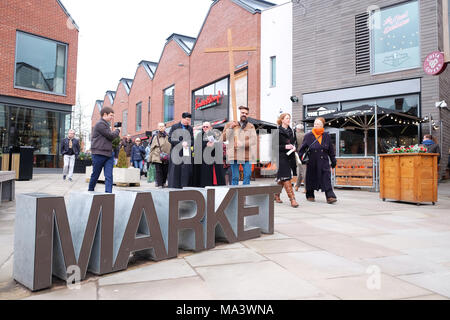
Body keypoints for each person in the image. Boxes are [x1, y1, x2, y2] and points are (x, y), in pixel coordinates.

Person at [298, 117, 337, 204]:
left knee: (326, 178)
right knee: (311, 178)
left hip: (324, 162)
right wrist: (302, 159)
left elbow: (331, 150)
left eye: (318, 124)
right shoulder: (308, 136)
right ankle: (310, 195)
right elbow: (302, 149)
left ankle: (330, 196)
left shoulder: (326, 136)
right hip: (312, 162)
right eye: (315, 123)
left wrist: (333, 161)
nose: (316, 125)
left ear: (322, 125)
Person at [222, 106, 257, 185]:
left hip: (247, 155)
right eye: (242, 113)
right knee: (235, 177)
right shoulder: (229, 124)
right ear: (238, 113)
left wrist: (242, 143)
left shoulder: (251, 126)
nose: (244, 114)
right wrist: (230, 128)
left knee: (247, 175)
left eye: (246, 113)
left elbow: (253, 140)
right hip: (234, 155)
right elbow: (223, 138)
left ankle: (244, 194)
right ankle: (235, 196)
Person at [88, 107, 120, 193]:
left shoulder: (106, 125)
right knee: (95, 175)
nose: (112, 117)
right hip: (99, 154)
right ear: (104, 114)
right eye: (111, 115)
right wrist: (117, 130)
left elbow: (109, 138)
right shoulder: (100, 124)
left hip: (109, 154)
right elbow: (111, 136)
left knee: (109, 176)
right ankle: (90, 191)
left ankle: (108, 195)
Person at [274, 113, 299, 208]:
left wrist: (294, 147)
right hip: (281, 156)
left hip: (290, 156)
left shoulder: (292, 131)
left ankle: (276, 194)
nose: (289, 120)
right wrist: (285, 146)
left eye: (289, 118)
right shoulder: (277, 131)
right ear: (282, 120)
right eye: (287, 118)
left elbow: (294, 142)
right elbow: (274, 146)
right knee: (287, 176)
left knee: (283, 177)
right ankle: (292, 199)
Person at [167, 112, 194, 188]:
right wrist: (180, 143)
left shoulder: (190, 128)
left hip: (186, 152)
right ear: (182, 118)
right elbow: (170, 138)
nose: (188, 121)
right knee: (175, 170)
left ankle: (184, 185)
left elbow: (192, 141)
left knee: (185, 170)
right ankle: (174, 186)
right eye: (187, 119)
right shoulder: (175, 127)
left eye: (189, 120)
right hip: (176, 152)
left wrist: (188, 143)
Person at [199, 122, 226, 187]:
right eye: (203, 127)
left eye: (206, 127)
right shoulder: (200, 136)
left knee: (216, 177)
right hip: (204, 160)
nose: (205, 128)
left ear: (211, 127)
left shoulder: (216, 134)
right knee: (206, 178)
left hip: (215, 159)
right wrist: (206, 145)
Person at [149, 122, 171, 188]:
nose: (161, 127)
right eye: (160, 126)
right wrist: (150, 158)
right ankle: (159, 184)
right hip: (157, 156)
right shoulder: (155, 136)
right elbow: (152, 147)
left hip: (166, 156)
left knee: (165, 170)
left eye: (162, 126)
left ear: (165, 127)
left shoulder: (168, 136)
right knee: (159, 171)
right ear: (158, 128)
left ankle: (163, 182)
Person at [294, 123, 306, 193]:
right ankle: (297, 186)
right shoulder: (306, 135)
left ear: (298, 129)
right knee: (303, 170)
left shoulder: (295, 135)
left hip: (298, 154)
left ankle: (303, 187)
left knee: (301, 171)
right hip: (305, 155)